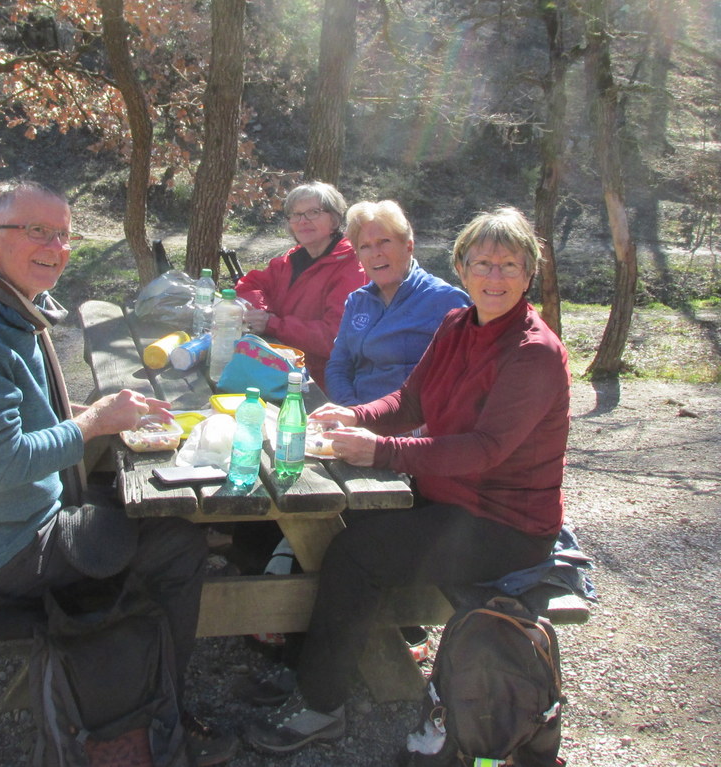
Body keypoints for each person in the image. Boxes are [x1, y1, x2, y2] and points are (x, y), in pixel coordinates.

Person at [0, 180, 236, 766]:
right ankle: (161, 708)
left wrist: (93, 415)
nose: (55, 246)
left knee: (131, 501)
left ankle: (138, 664)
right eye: (36, 231)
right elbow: (4, 463)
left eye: (63, 234)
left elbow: (20, 415)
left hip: (4, 522)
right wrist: (91, 427)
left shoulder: (1, 303)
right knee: (179, 542)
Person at [245, 206, 571, 754]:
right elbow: (410, 401)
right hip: (449, 497)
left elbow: (486, 451)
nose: (494, 278)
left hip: (503, 523)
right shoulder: (456, 325)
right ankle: (308, 662)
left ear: (528, 274)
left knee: (356, 553)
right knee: (328, 517)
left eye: (509, 266)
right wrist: (356, 416)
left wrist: (382, 452)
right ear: (462, 269)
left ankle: (321, 706)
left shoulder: (532, 353)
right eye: (483, 264)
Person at [325, 200, 469, 406]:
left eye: (384, 241)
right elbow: (339, 366)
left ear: (408, 246)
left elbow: (461, 381)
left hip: (411, 427)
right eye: (365, 246)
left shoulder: (446, 301)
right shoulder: (358, 301)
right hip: (356, 417)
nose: (375, 253)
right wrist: (351, 410)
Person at [235, 181, 366, 393]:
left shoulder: (351, 266)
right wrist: (261, 311)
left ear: (335, 218)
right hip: (277, 369)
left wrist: (272, 324)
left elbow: (335, 337)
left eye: (313, 212)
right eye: (295, 215)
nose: (302, 221)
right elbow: (250, 284)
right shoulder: (293, 258)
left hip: (323, 385)